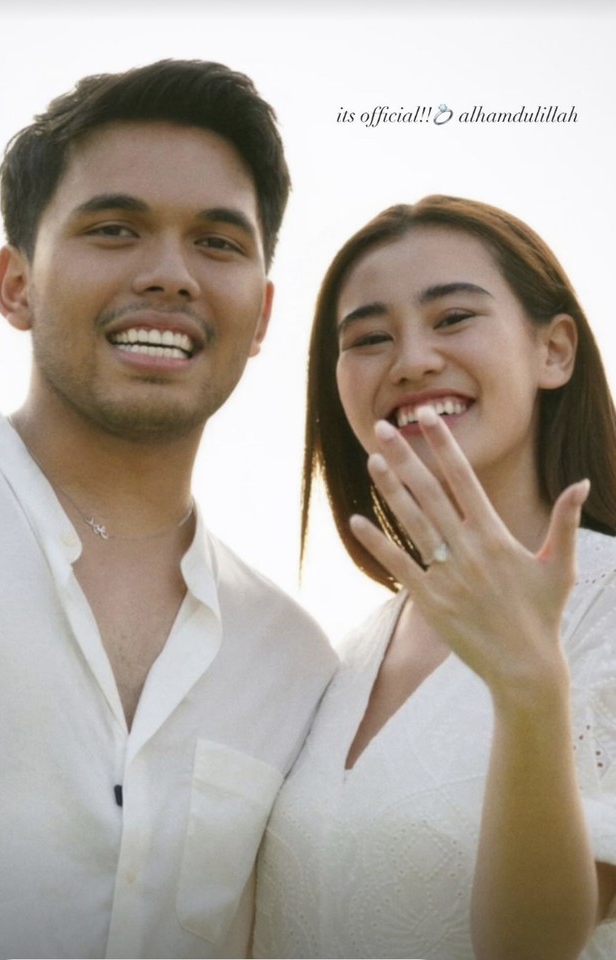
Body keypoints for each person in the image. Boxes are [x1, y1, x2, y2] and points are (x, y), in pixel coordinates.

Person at [0, 59, 336, 960]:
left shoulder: (293, 662)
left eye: (218, 242)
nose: (171, 276)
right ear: (16, 284)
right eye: (115, 229)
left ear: (262, 317)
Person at [254, 195, 616, 960]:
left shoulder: (606, 606)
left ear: (554, 351)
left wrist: (528, 685)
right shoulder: (345, 655)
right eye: (369, 338)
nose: (412, 360)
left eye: (453, 318)